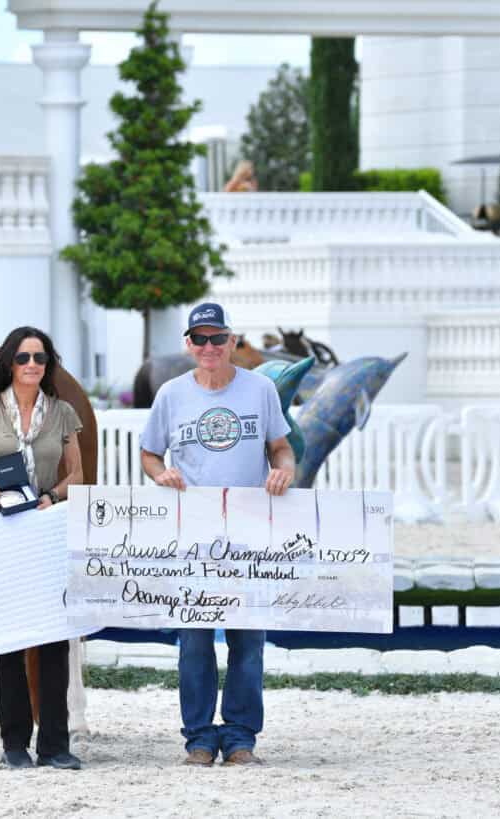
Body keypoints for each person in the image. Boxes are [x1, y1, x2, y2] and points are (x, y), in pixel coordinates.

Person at [139, 302, 295, 768]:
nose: (209, 347)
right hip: (192, 535)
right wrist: (160, 473)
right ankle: (200, 739)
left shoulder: (261, 389)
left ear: (231, 342)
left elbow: (281, 448)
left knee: (248, 638)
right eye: (199, 339)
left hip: (250, 534)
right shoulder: (170, 394)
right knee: (194, 639)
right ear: (188, 344)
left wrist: (283, 472)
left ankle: (241, 737)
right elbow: (149, 453)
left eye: (217, 338)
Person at [0, 326, 84, 771]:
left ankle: (55, 745)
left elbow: (78, 476)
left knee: (53, 640)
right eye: (25, 357)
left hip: (46, 528)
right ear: (10, 362)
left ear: (48, 365)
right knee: (8, 640)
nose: (32, 365)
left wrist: (52, 496)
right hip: (1, 527)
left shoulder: (63, 413)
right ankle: (14, 743)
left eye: (41, 358)